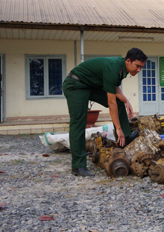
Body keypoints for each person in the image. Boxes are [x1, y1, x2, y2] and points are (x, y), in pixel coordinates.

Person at [63, 48, 147, 176]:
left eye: (141, 67)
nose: (139, 70)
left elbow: (114, 86)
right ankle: (78, 166)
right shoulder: (113, 67)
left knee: (119, 102)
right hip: (76, 85)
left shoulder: (121, 67)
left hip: (90, 86)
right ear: (128, 61)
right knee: (79, 122)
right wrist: (117, 128)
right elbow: (111, 102)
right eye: (137, 66)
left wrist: (126, 101)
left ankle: (126, 138)